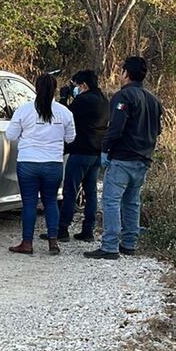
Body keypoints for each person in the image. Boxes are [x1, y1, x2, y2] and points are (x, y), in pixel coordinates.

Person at [85, 57, 163, 260]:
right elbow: (158, 130)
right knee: (132, 202)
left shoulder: (123, 96)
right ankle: (129, 243)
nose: (120, 76)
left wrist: (105, 149)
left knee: (111, 200)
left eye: (121, 72)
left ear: (126, 73)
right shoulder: (153, 100)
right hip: (143, 159)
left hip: (123, 157)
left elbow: (116, 127)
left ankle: (110, 246)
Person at [6, 74, 76, 255]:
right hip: (53, 163)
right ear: (55, 90)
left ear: (36, 88)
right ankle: (53, 242)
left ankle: (27, 243)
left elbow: (11, 135)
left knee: (29, 203)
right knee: (51, 202)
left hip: (28, 162)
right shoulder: (64, 112)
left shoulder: (24, 110)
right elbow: (71, 138)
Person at [51, 70, 109, 242]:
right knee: (90, 193)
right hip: (96, 152)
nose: (75, 88)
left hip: (81, 151)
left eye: (75, 85)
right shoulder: (104, 100)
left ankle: (62, 229)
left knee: (70, 191)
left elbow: (65, 116)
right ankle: (88, 230)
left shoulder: (83, 100)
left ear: (83, 85)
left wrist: (63, 99)